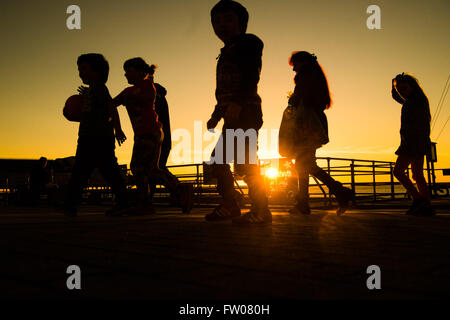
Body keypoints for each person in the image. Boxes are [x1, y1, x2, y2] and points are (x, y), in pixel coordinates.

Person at [205, 0, 271, 225]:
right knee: (220, 160)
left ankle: (260, 210)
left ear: (241, 22)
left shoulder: (249, 42)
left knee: (244, 161)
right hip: (232, 113)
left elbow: (251, 75)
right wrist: (216, 113)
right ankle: (232, 205)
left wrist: (239, 102)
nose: (222, 25)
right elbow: (223, 90)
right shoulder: (225, 51)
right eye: (217, 21)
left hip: (246, 111)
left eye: (228, 19)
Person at [109, 57, 193, 215]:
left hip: (151, 132)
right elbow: (111, 105)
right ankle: (179, 190)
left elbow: (147, 97)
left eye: (129, 71)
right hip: (142, 134)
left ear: (141, 72)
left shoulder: (148, 86)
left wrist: (129, 97)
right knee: (150, 169)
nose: (125, 75)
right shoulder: (127, 92)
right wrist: (118, 129)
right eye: (125, 71)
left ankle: (147, 202)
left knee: (138, 167)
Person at [287, 51, 354, 215]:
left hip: (306, 127)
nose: (294, 69)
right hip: (314, 125)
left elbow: (302, 99)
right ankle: (306, 201)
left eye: (295, 64)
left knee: (304, 164)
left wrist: (293, 99)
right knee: (304, 164)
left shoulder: (305, 77)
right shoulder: (316, 77)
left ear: (302, 62)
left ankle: (337, 192)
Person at [64, 53, 130, 217]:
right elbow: (89, 112)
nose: (80, 72)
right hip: (90, 136)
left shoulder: (99, 88)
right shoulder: (92, 90)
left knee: (84, 172)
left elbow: (111, 107)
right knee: (101, 171)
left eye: (84, 69)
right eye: (79, 69)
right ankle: (70, 204)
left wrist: (118, 129)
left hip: (97, 137)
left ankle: (70, 204)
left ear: (97, 71)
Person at [391, 73, 434, 215]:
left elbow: (419, 125)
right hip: (419, 142)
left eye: (404, 88)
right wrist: (393, 87)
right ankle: (426, 204)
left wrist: (411, 142)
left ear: (412, 86)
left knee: (397, 171)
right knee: (417, 174)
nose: (402, 92)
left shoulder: (415, 102)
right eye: (399, 90)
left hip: (411, 143)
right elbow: (398, 97)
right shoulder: (415, 99)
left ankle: (418, 200)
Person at [149, 83, 175, 200]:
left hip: (158, 138)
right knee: (154, 168)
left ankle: (179, 189)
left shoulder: (155, 96)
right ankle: (179, 190)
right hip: (162, 138)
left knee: (154, 168)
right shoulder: (158, 96)